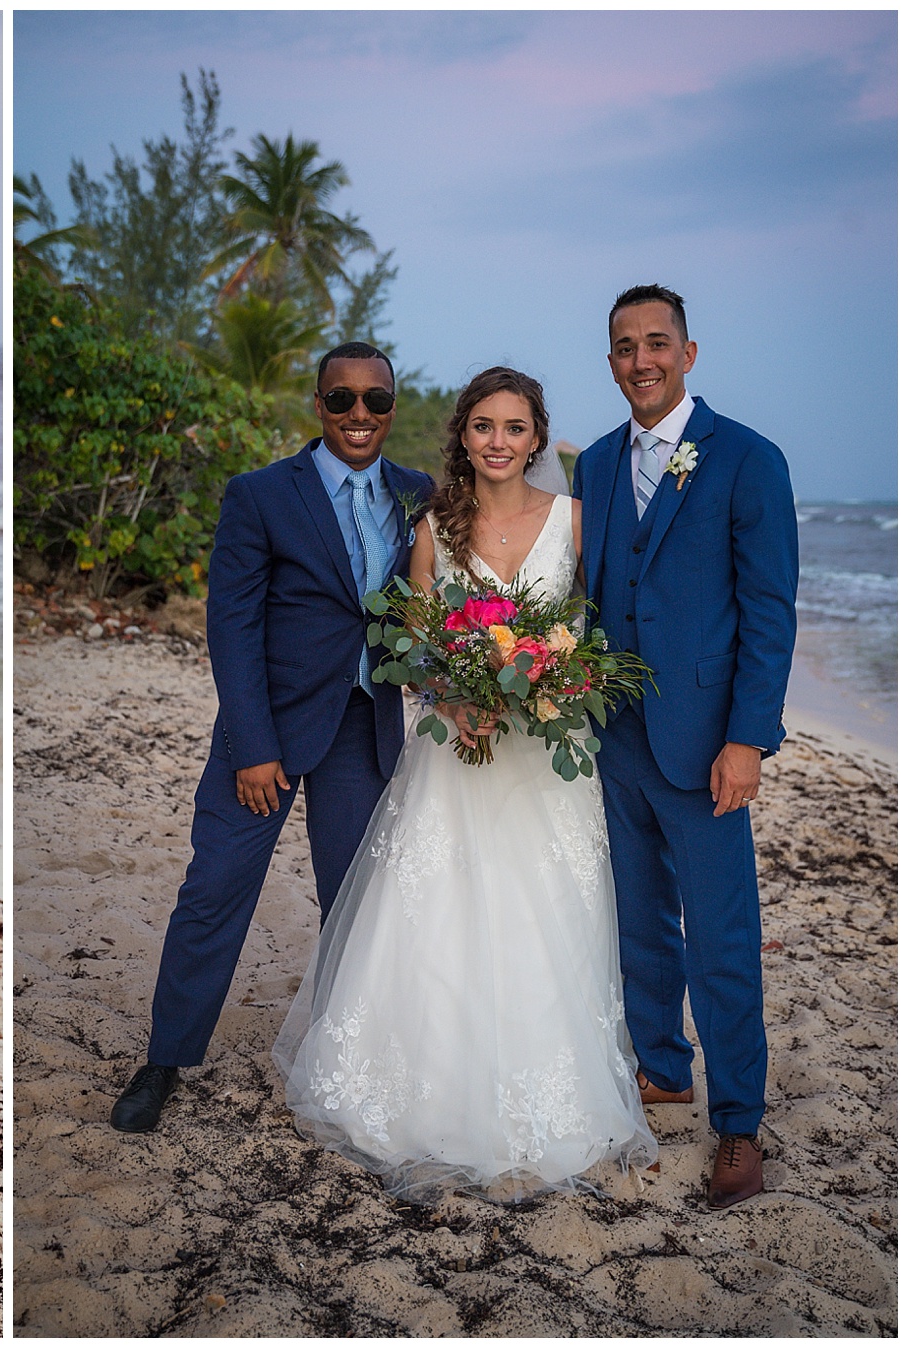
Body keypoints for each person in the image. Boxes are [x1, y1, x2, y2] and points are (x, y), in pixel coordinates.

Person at [273, 366, 657, 1202]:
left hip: (545, 763)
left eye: (514, 428)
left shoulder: (576, 523)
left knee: (544, 916)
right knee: (438, 915)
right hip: (456, 753)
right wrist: (451, 692)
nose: (498, 443)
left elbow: (606, 631)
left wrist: (554, 686)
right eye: (483, 426)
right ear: (463, 436)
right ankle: (424, 1091)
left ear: (538, 438)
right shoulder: (434, 530)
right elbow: (409, 648)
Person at [111, 342, 436, 1134]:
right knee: (215, 890)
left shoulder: (417, 494)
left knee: (353, 904)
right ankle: (165, 1059)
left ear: (392, 407)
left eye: (376, 401)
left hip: (365, 725)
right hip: (267, 729)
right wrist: (253, 746)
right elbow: (231, 625)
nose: (359, 415)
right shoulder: (258, 495)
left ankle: (347, 1059)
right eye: (342, 399)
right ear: (317, 405)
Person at [575, 285, 796, 1210]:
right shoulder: (590, 465)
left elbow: (769, 610)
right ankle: (662, 1070)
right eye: (625, 347)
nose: (641, 361)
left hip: (706, 743)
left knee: (721, 936)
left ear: (689, 353)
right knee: (637, 925)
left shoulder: (747, 459)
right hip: (612, 737)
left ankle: (738, 1119)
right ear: (612, 360)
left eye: (656, 343)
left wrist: (748, 739)